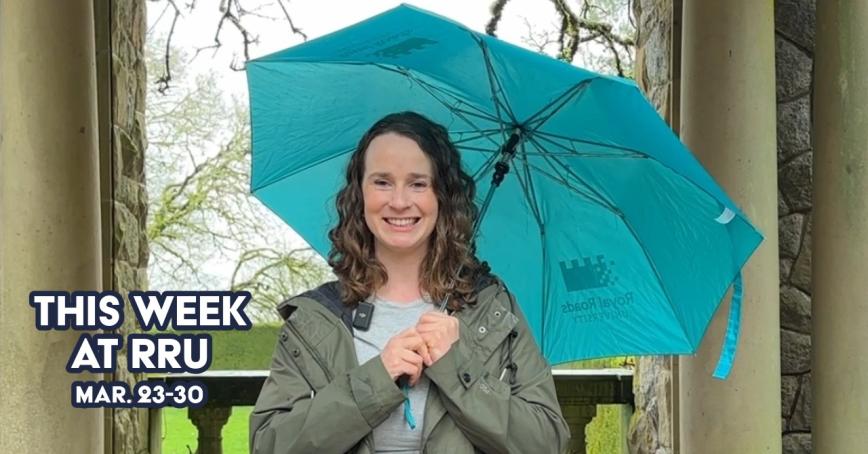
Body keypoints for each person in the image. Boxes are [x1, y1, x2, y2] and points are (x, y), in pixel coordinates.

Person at [250, 112, 570, 453]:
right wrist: (377, 379)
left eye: (418, 183)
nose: (399, 201)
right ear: (359, 193)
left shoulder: (493, 308)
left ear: (442, 196)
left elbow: (547, 443)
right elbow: (269, 445)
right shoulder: (314, 319)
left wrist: (456, 367)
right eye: (382, 181)